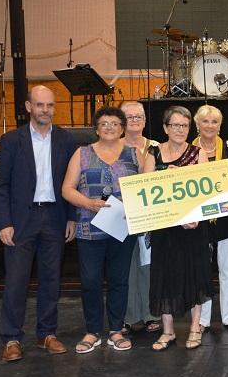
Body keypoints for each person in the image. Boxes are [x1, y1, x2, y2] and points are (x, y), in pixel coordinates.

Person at [61, 106, 154, 353]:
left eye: (115, 123)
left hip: (123, 227)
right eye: (104, 123)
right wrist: (89, 203)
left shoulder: (134, 154)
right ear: (96, 128)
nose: (110, 127)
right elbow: (67, 189)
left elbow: (147, 186)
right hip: (89, 228)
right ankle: (92, 331)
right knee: (90, 281)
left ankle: (115, 330)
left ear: (122, 128)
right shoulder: (81, 153)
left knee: (119, 281)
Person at [0, 85, 77, 362]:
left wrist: (71, 218)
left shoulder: (66, 140)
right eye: (40, 105)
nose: (46, 111)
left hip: (54, 218)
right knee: (16, 282)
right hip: (20, 222)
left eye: (50, 105)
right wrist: (4, 222)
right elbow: (2, 187)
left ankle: (46, 334)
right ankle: (11, 338)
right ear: (29, 107)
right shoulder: (11, 140)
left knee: (51, 281)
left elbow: (73, 183)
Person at [148, 106, 214, 351]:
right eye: (175, 125)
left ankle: (195, 328)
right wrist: (166, 176)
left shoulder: (199, 154)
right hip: (165, 228)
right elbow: (146, 192)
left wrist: (191, 216)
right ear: (165, 127)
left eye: (184, 126)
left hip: (192, 227)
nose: (180, 130)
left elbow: (206, 195)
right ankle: (168, 331)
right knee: (164, 276)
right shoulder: (153, 154)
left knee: (195, 275)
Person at [192, 105, 228, 332]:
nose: (210, 126)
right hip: (198, 220)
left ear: (220, 125)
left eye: (214, 122)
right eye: (205, 121)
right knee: (202, 270)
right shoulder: (187, 150)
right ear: (197, 125)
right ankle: (202, 321)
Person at [120, 101, 162, 334]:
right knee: (126, 265)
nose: (135, 120)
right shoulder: (113, 147)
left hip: (150, 216)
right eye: (130, 117)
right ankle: (126, 316)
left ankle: (150, 314)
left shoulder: (156, 147)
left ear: (145, 121)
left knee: (148, 265)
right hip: (122, 215)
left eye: (139, 117)